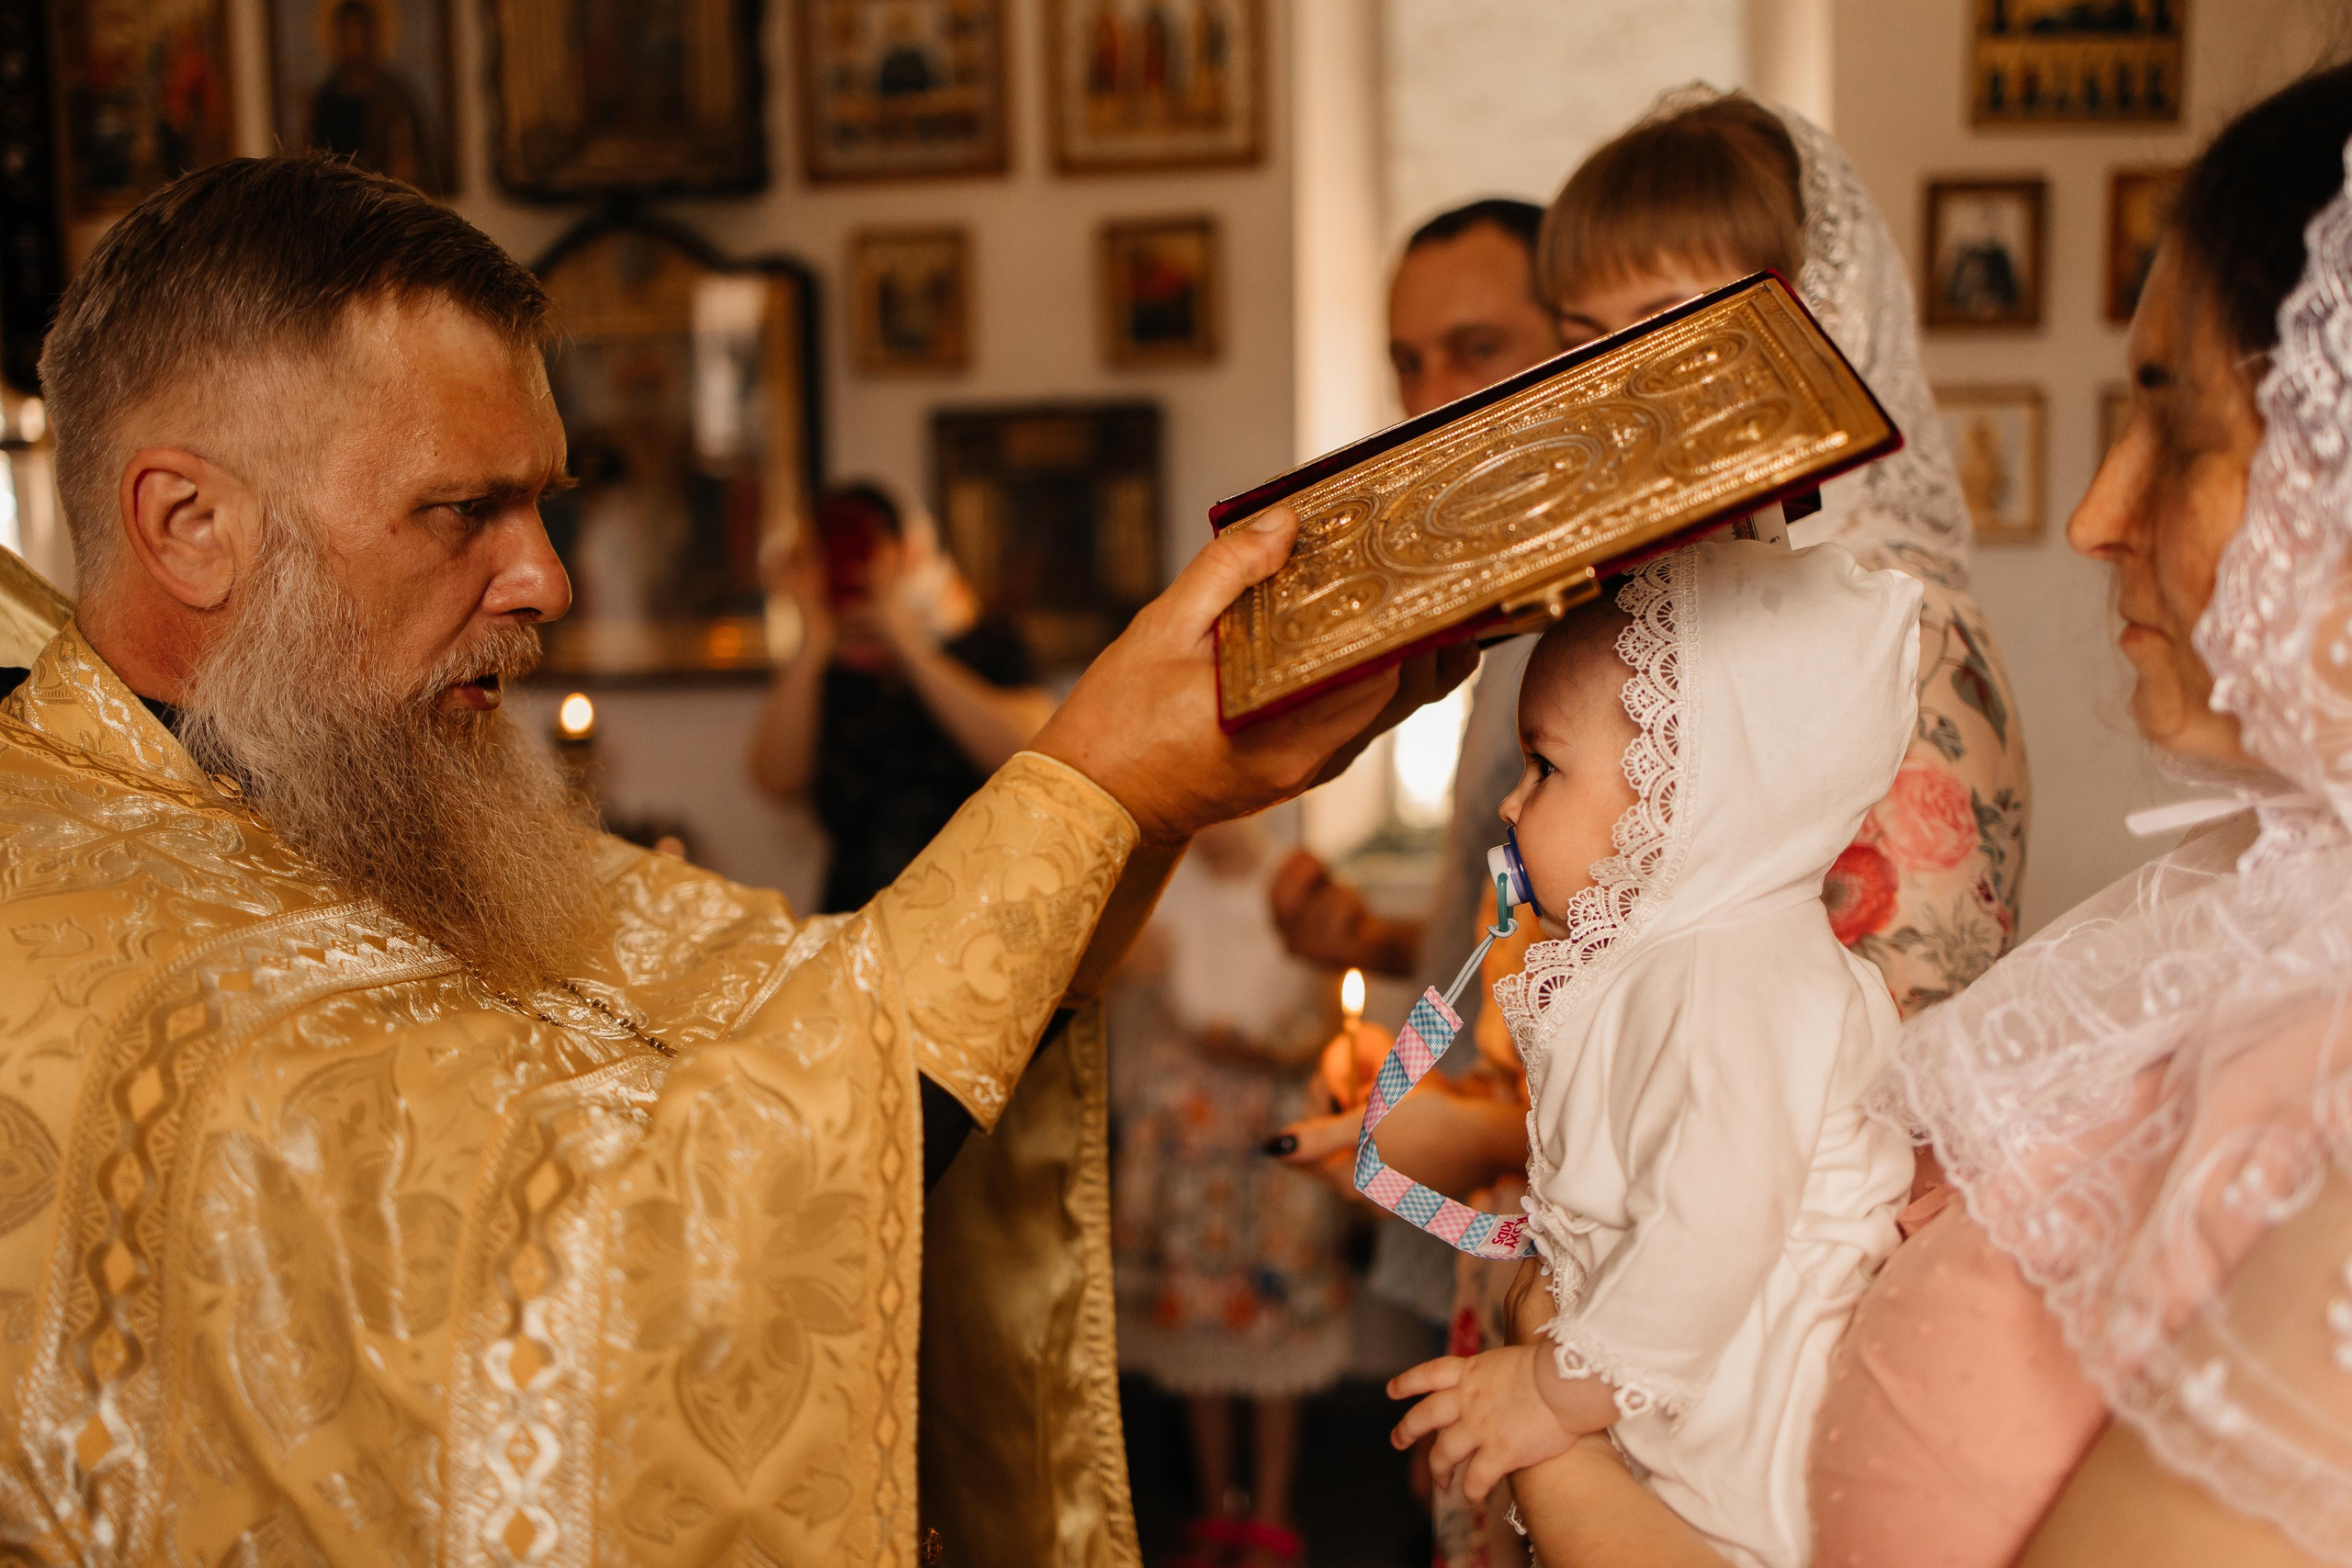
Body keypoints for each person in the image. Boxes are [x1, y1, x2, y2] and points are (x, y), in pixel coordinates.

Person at [0, 154, 1470, 1564]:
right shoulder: (62, 950)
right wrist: (1096, 780)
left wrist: (1144, 803)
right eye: (462, 510)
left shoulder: (358, 804)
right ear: (190, 524)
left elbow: (815, 1017)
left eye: (544, 503)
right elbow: (631, 1271)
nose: (547, 578)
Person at [1501, 63, 2352, 1568]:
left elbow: (1791, 1099)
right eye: (1577, 341)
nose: (2090, 518)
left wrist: (1562, 1433)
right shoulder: (2238, 916)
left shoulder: (1868, 652)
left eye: (2175, 424)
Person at [1387, 539, 1922, 1568]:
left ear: (1680, 798)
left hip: (1743, 1446)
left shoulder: (1733, 973)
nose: (1510, 805)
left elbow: (1714, 1217)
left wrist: (1550, 1392)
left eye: (1544, 767)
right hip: (1671, 1400)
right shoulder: (1676, 962)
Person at [1111, 816, 1351, 1568]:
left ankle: (1271, 1509)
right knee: (1197, 1318)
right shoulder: (1164, 885)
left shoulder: (1295, 880)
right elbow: (1138, 984)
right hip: (1188, 1136)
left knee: (1273, 1317)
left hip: (1269, 1121)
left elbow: (1326, 1010)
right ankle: (1218, 1504)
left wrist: (1276, 1048)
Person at [747, 480, 1052, 911]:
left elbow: (1032, 749)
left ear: (906, 551)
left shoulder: (981, 644)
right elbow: (776, 781)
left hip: (977, 915)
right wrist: (813, 638)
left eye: (863, 548)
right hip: (857, 920)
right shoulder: (823, 674)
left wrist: (906, 644)